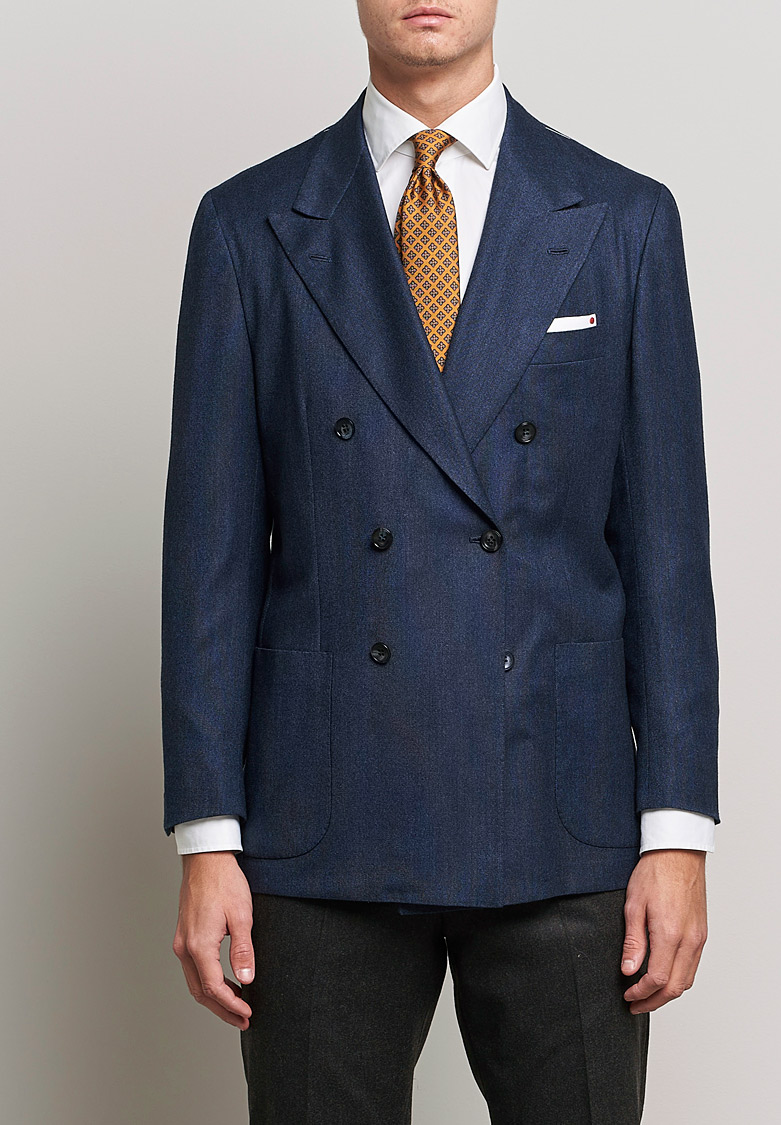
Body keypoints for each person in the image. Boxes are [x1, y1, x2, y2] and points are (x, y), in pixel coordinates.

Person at [162, 2, 720, 1121]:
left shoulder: (622, 218)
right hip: (320, 827)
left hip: (564, 822)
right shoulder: (249, 223)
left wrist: (677, 831)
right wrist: (207, 836)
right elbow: (209, 558)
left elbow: (667, 550)